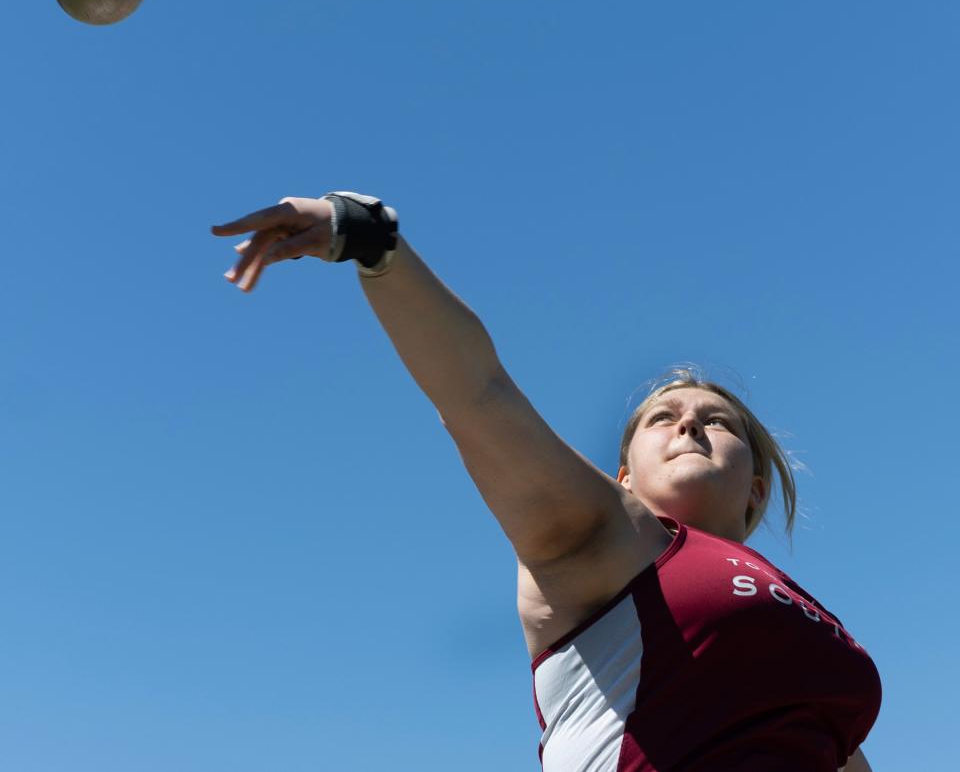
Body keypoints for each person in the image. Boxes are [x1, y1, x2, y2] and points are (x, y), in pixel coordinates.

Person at [211, 193, 880, 772]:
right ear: (624, 477)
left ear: (758, 490)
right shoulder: (609, 538)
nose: (688, 427)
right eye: (662, 418)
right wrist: (369, 237)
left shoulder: (816, 625)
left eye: (716, 421)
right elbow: (477, 393)